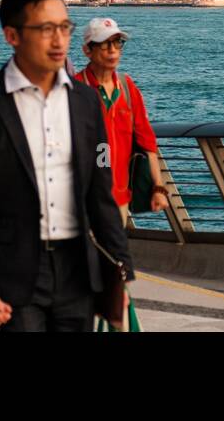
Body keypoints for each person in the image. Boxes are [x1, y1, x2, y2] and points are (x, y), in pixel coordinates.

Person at [0, 0, 135, 333]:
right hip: (12, 274)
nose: (58, 40)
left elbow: (100, 192)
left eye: (64, 28)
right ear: (12, 35)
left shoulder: (85, 102)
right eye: (45, 29)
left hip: (77, 272)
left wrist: (120, 268)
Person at [73, 17, 168, 332]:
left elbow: (147, 141)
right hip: (83, 200)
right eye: (105, 45)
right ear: (88, 50)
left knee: (114, 267)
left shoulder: (128, 89)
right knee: (103, 269)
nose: (113, 51)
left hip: (120, 197)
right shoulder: (75, 89)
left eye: (117, 43)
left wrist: (158, 187)